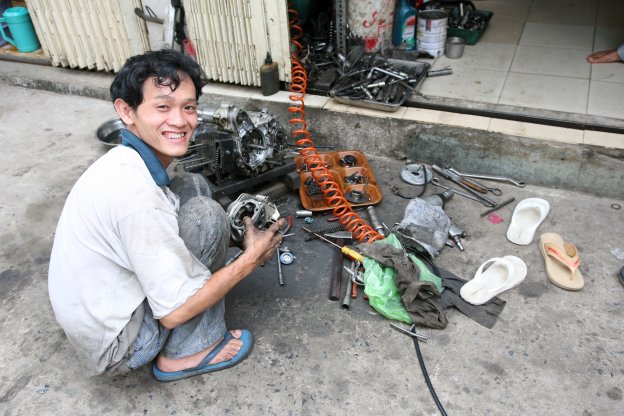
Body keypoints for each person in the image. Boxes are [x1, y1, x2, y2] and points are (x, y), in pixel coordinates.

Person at [48, 49, 284, 381]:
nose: (179, 120)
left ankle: (186, 293)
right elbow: (173, 315)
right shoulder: (137, 199)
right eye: (162, 107)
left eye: (188, 107)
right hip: (120, 345)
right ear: (126, 111)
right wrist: (249, 258)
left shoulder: (122, 161)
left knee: (192, 184)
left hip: (92, 311)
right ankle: (185, 354)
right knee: (205, 217)